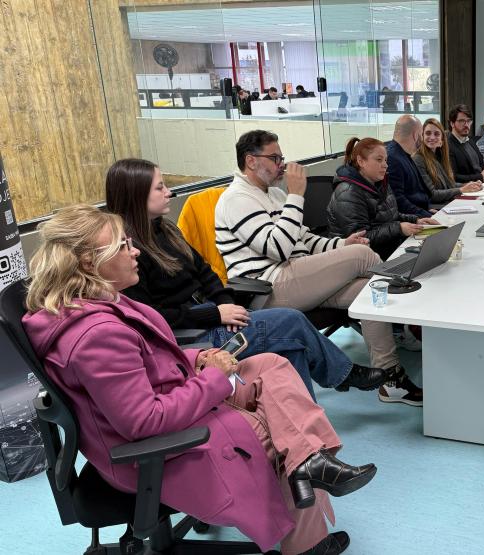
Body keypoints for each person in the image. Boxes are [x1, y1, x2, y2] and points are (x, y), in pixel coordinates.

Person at [22, 205, 377, 555]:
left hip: (172, 404)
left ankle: (310, 462)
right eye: (122, 246)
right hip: (151, 456)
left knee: (270, 365)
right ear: (87, 262)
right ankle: (306, 543)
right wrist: (214, 379)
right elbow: (145, 422)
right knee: (275, 433)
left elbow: (149, 363)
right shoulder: (97, 336)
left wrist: (198, 358)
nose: (135, 252)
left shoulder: (97, 303)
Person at [104, 158, 390, 399]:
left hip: (215, 320)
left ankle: (311, 441)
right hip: (191, 340)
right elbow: (152, 319)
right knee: (291, 320)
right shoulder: (127, 252)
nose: (169, 192)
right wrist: (214, 313)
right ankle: (343, 373)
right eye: (160, 187)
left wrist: (228, 307)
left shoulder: (165, 230)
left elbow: (207, 274)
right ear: (137, 194)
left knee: (292, 351)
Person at [215, 130, 422, 406]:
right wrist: (297, 196)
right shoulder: (236, 199)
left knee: (372, 291)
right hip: (269, 287)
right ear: (251, 161)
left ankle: (390, 379)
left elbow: (305, 239)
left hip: (298, 276)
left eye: (281, 157)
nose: (281, 164)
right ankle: (412, 296)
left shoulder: (274, 195)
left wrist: (341, 244)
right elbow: (278, 248)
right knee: (362, 254)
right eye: (274, 158)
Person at [328, 137, 440, 260]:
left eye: (386, 160)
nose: (386, 165)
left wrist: (416, 221)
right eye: (379, 160)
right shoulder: (348, 192)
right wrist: (399, 228)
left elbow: (391, 216)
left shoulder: (380, 182)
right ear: (361, 161)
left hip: (388, 249)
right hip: (362, 259)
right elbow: (360, 240)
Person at [413, 118, 484, 206]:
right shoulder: (418, 159)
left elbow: (448, 184)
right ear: (422, 135)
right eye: (428, 133)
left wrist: (468, 185)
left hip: (446, 203)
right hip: (435, 207)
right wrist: (462, 189)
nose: (432, 137)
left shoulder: (437, 156)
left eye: (436, 134)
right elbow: (432, 195)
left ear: (442, 139)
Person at [387, 115, 436, 218]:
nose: (422, 139)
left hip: (420, 212)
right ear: (415, 135)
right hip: (412, 221)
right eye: (421, 134)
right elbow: (398, 201)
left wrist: (427, 211)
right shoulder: (393, 159)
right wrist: (427, 215)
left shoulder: (403, 155)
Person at [446, 105, 484, 183]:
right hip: (466, 188)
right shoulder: (447, 145)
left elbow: (481, 164)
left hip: (482, 184)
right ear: (452, 123)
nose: (466, 125)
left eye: (469, 121)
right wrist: (481, 177)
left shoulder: (470, 140)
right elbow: (454, 177)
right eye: (462, 121)